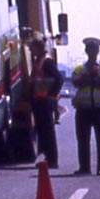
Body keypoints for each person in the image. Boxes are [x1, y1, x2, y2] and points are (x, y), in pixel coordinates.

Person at [71, 37, 100, 176]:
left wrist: (89, 80)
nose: (92, 52)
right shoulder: (80, 68)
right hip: (83, 108)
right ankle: (84, 167)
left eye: (94, 49)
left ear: (98, 51)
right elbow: (76, 82)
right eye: (89, 49)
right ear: (86, 51)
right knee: (83, 139)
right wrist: (94, 79)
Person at [29, 36, 64, 169]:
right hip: (39, 101)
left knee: (48, 132)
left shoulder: (47, 62)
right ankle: (46, 158)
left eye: (32, 48)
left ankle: (52, 160)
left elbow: (58, 79)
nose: (31, 51)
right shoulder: (39, 61)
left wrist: (51, 95)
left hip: (45, 101)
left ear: (38, 48)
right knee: (43, 132)